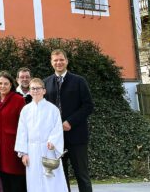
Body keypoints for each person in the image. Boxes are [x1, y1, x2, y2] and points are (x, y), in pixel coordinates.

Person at [43, 49, 94, 192]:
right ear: (51, 62)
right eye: (55, 60)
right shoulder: (46, 83)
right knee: (60, 177)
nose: (58, 63)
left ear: (66, 61)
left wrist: (70, 122)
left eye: (61, 60)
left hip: (77, 137)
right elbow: (43, 109)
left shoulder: (79, 81)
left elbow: (88, 106)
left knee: (82, 175)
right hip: (56, 138)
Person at [15, 78, 67, 192]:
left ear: (44, 91)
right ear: (29, 91)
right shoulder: (25, 110)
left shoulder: (53, 109)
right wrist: (23, 153)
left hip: (48, 150)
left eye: (38, 88)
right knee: (34, 182)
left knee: (52, 182)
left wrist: (53, 142)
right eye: (32, 88)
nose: (35, 91)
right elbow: (22, 132)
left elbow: (57, 128)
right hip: (32, 152)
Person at [0, 72, 26, 192]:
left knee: (17, 181)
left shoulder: (19, 100)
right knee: (4, 181)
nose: (3, 86)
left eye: (6, 83)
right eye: (0, 83)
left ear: (11, 84)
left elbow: (23, 126)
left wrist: (23, 148)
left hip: (14, 147)